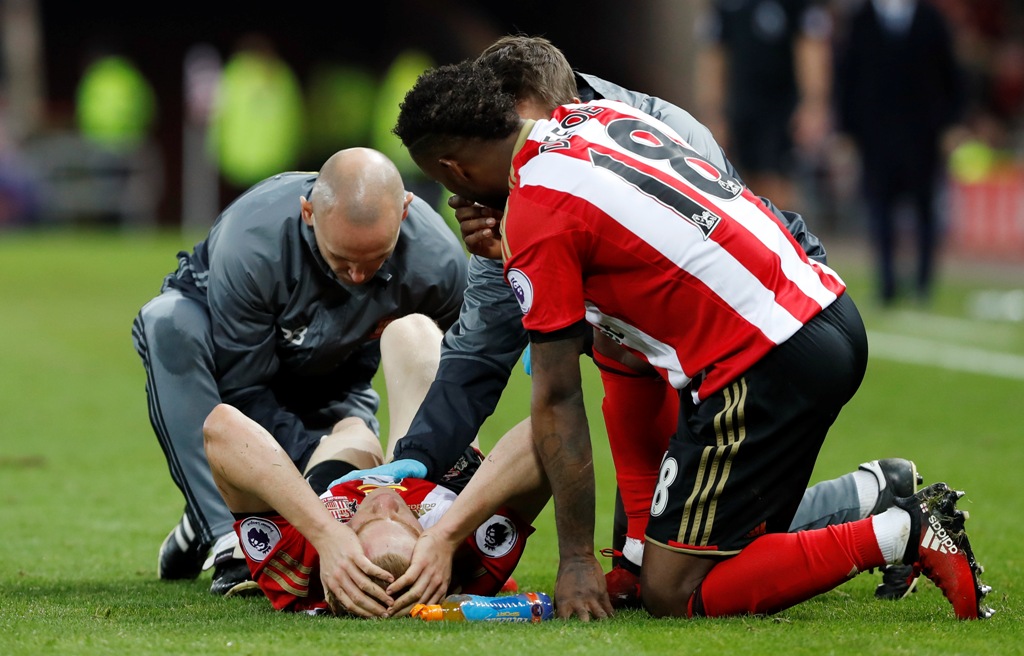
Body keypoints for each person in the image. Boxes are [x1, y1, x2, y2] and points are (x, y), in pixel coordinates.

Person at [389, 59, 994, 621]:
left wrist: (575, 561)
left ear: (454, 172)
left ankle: (902, 530)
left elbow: (557, 400)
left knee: (674, 589)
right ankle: (654, 548)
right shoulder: (602, 116)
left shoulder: (536, 214)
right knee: (617, 354)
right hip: (822, 311)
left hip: (761, 363)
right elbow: (622, 314)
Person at [131, 147, 468, 596]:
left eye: (375, 260)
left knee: (358, 441)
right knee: (167, 322)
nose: (358, 275)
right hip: (236, 359)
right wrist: (316, 460)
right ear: (308, 212)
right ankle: (224, 533)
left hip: (338, 371)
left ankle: (224, 512)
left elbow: (468, 367)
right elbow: (243, 391)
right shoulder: (251, 242)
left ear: (405, 212)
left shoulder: (439, 261)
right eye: (342, 258)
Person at [201, 315, 548, 617]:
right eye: (407, 522)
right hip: (444, 480)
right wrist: (445, 536)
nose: (384, 502)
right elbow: (545, 433)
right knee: (409, 332)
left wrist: (326, 532)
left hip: (333, 492)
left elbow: (221, 427)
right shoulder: (466, 559)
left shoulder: (304, 565)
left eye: (365, 523)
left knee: (352, 429)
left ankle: (353, 437)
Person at [833, 0, 965, 305]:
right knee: (880, 209)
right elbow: (847, 77)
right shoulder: (862, 20)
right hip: (875, 134)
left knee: (924, 209)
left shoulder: (931, 18)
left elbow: (951, 74)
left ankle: (923, 284)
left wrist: (953, 123)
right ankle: (887, 283)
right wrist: (846, 131)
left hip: (923, 133)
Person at [695, 0, 834, 212]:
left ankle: (783, 239)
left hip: (782, 108)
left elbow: (810, 48)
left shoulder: (798, 6)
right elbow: (713, 57)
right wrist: (713, 114)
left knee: (777, 184)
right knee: (748, 184)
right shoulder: (725, 7)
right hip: (742, 107)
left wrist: (813, 105)